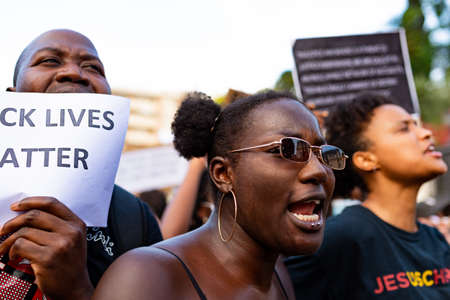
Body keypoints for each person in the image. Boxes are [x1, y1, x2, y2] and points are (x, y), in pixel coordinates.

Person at [93, 90, 348, 299]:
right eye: (288, 149)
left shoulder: (278, 274)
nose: (320, 170)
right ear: (223, 173)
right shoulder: (147, 277)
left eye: (323, 153)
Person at [0, 29, 162, 300]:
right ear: (13, 97)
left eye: (92, 67)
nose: (75, 73)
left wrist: (76, 291)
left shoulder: (134, 219)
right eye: (49, 61)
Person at [285, 93, 450, 299]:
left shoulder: (434, 239)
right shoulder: (341, 238)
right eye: (404, 128)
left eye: (417, 124)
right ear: (366, 160)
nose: (425, 133)